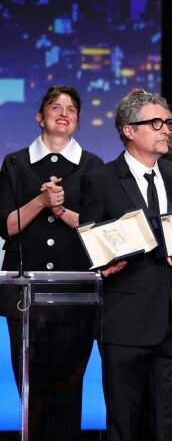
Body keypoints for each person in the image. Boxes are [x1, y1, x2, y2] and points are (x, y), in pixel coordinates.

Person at [79, 89, 172, 441]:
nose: (164, 129)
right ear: (128, 130)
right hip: (124, 323)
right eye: (155, 122)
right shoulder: (101, 180)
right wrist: (101, 266)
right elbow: (89, 249)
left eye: (167, 122)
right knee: (126, 423)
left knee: (171, 424)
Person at [0, 85, 104, 441]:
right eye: (55, 107)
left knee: (68, 393)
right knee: (31, 391)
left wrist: (59, 209)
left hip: (75, 295)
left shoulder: (93, 165)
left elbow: (97, 228)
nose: (64, 113)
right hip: (24, 298)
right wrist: (41, 201)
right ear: (39, 117)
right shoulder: (15, 163)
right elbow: (8, 226)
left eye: (71, 108)